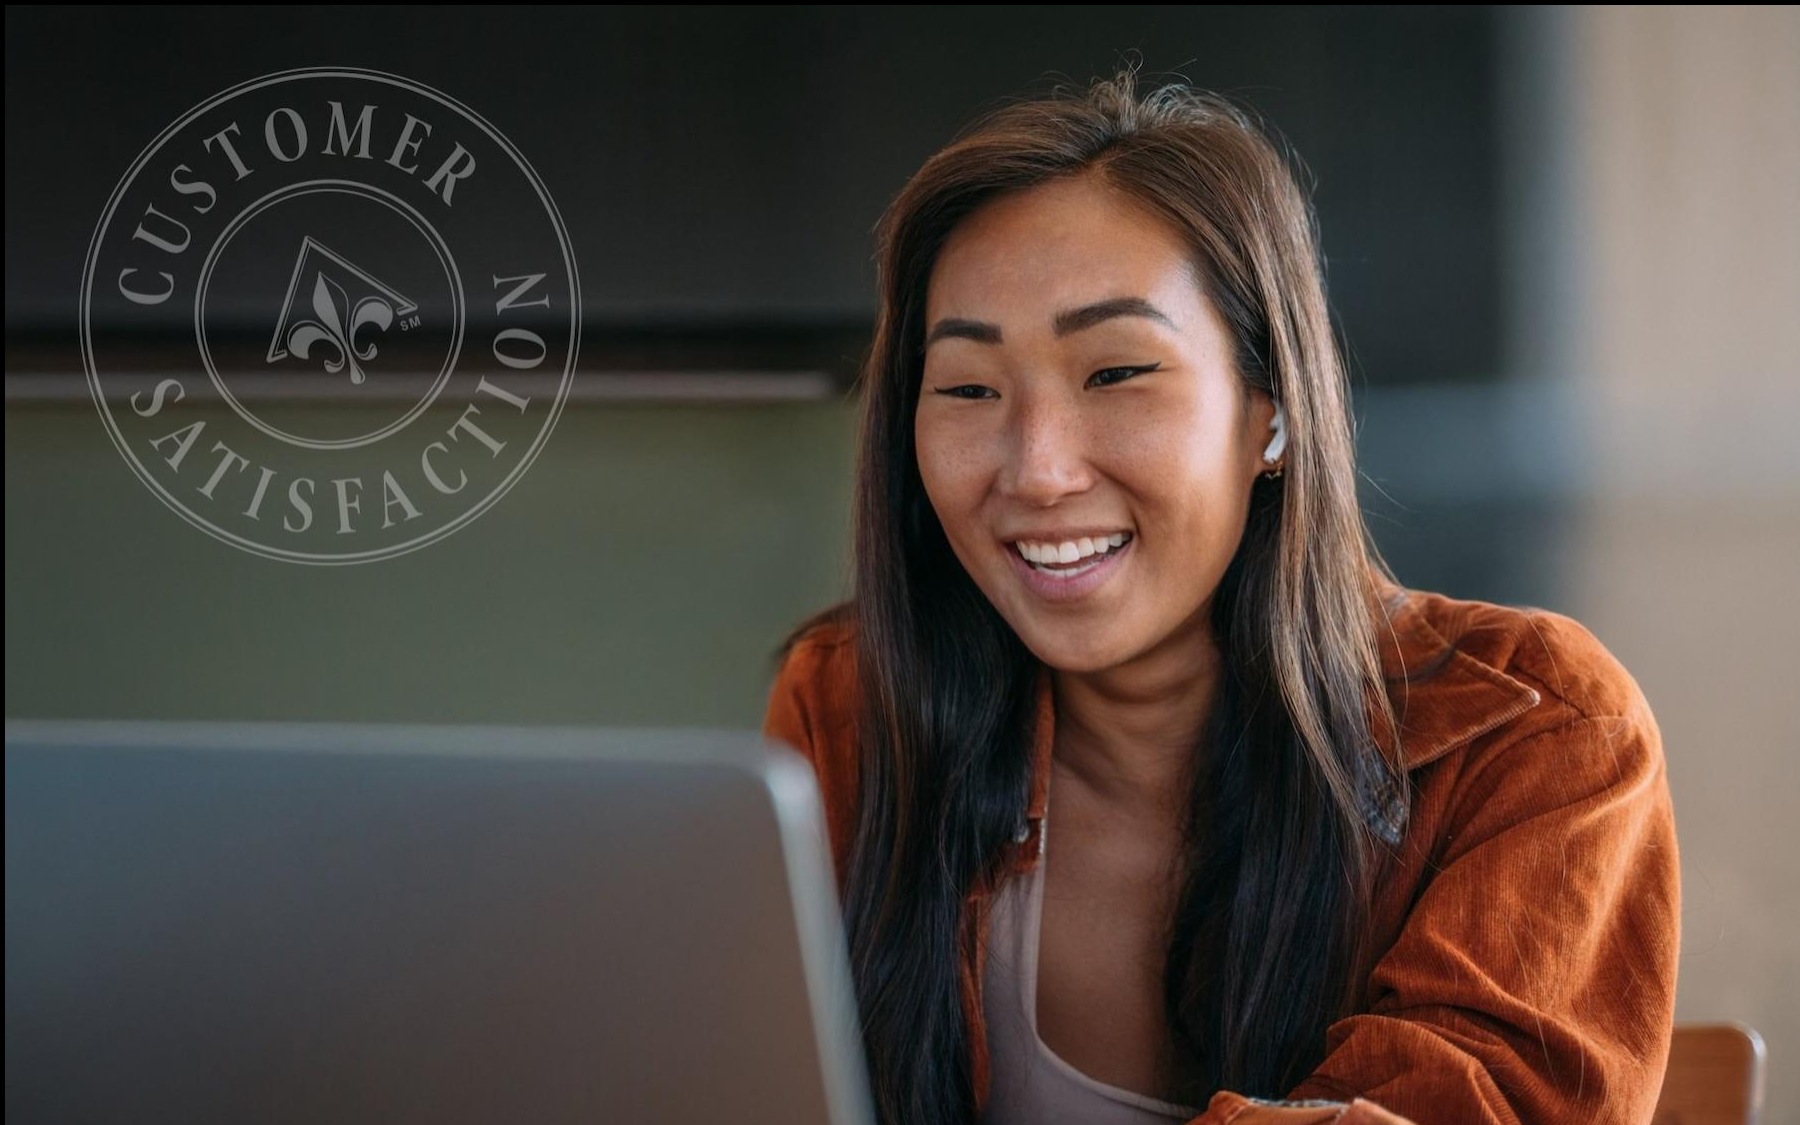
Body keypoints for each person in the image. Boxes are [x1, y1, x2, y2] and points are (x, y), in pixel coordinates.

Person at [761, 71, 1677, 1125]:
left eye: (1117, 374)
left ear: (1271, 413)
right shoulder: (848, 709)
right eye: (969, 388)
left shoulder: (1536, 730)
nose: (1038, 471)